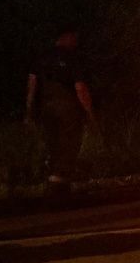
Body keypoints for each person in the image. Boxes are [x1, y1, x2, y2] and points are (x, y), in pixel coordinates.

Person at [26, 30, 95, 189]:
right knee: (70, 142)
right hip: (67, 107)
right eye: (75, 39)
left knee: (52, 141)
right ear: (67, 37)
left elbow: (31, 84)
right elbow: (80, 88)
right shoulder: (72, 57)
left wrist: (29, 110)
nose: (76, 43)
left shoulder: (42, 57)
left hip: (46, 106)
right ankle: (61, 183)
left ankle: (52, 179)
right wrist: (89, 113)